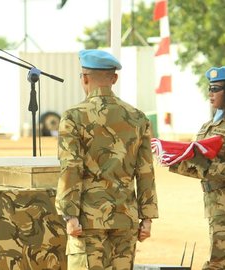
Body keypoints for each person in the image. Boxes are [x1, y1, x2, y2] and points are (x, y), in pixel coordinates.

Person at [55, 49, 159, 270]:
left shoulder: (73, 116)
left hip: (87, 220)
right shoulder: (138, 117)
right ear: (114, 78)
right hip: (125, 219)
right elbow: (146, 171)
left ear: (84, 78)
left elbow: (70, 167)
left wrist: (69, 215)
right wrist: (147, 218)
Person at [169, 66, 225, 270]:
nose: (211, 93)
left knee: (221, 262)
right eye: (210, 88)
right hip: (216, 203)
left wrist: (202, 164)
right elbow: (199, 165)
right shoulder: (209, 125)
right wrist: (174, 160)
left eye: (216, 88)